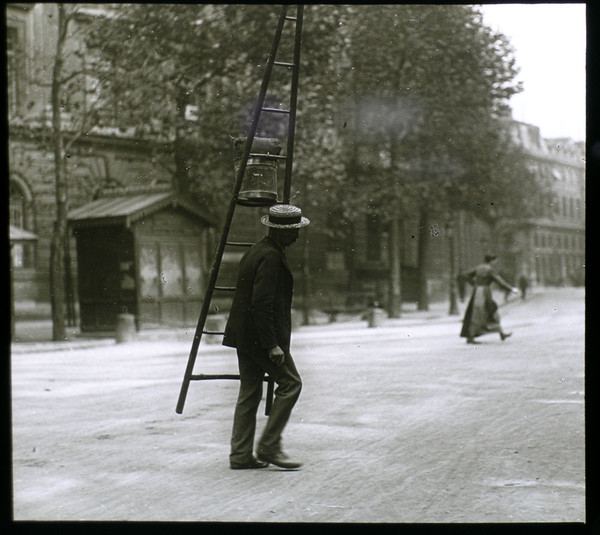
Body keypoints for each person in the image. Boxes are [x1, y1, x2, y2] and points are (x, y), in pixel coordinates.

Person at [223, 204, 310, 470]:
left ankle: (240, 455)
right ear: (280, 232)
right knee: (291, 384)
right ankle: (270, 445)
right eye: (293, 230)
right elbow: (262, 304)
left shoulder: (256, 250)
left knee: (249, 392)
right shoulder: (271, 257)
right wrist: (271, 344)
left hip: (244, 336)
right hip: (261, 338)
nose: (297, 235)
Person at [459, 254, 518, 344]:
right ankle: (471, 337)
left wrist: (474, 284)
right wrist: (511, 289)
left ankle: (501, 334)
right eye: (495, 261)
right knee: (487, 313)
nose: (495, 263)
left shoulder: (478, 267)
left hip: (476, 293)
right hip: (485, 293)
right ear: (491, 260)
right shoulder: (490, 270)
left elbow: (466, 275)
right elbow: (499, 281)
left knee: (479, 313)